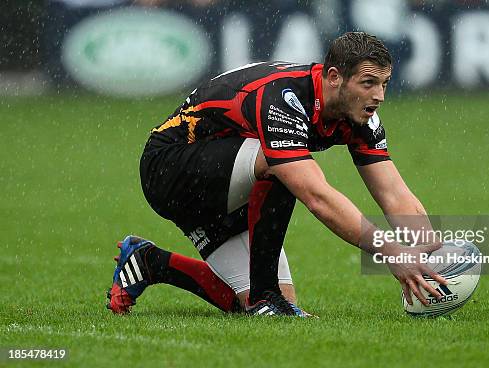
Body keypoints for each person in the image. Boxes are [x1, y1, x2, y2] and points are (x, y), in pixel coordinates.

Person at [106, 31, 446, 317]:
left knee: (259, 308)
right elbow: (315, 196)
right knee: (282, 167)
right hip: (168, 170)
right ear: (333, 78)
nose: (379, 96)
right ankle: (265, 295)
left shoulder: (361, 114)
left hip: (226, 184)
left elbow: (393, 194)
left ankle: (150, 261)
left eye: (384, 84)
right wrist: (391, 253)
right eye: (368, 83)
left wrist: (433, 256)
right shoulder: (284, 97)